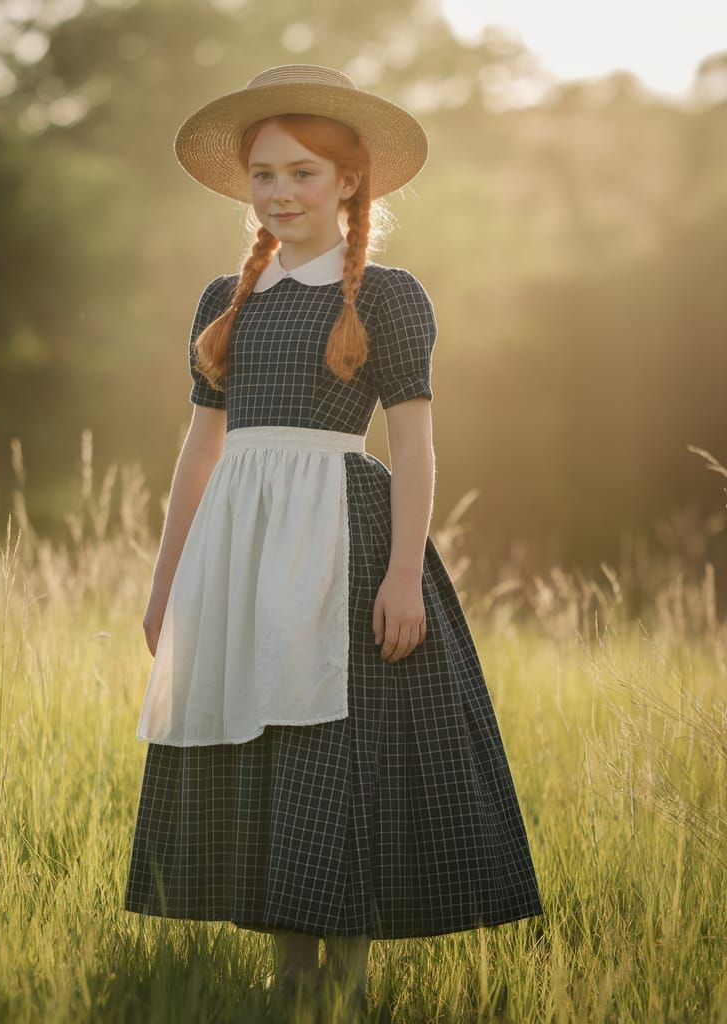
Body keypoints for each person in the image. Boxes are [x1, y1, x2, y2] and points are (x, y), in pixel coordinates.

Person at [123, 64, 544, 1015]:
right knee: (259, 736)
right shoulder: (223, 303)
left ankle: (346, 983)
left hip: (343, 534)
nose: (281, 192)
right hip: (240, 539)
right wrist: (167, 585)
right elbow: (201, 448)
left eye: (304, 173)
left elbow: (415, 441)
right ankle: (287, 978)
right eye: (265, 174)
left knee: (340, 748)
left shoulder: (388, 296)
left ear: (349, 184)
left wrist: (403, 574)